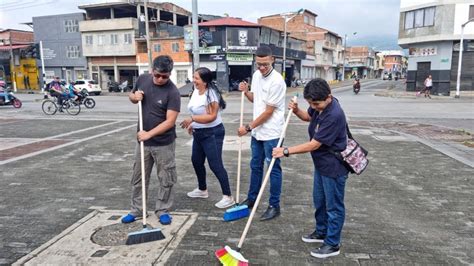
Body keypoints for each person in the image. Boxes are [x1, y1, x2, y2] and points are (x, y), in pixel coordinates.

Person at [272, 78, 349, 259]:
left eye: (316, 104)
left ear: (329, 97)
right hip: (321, 165)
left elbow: (314, 144)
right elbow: (308, 117)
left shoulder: (334, 114)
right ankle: (321, 231)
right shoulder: (318, 106)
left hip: (334, 167)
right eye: (310, 103)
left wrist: (286, 150)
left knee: (334, 206)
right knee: (320, 201)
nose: (313, 107)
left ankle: (332, 243)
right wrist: (297, 110)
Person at [121, 55, 181, 225]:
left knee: (166, 177)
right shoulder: (142, 80)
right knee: (138, 177)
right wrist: (134, 97)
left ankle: (163, 209)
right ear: (152, 71)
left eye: (165, 76)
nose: (161, 79)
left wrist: (149, 134)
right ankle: (137, 209)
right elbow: (131, 96)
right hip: (143, 143)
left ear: (170, 74)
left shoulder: (173, 92)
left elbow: (170, 121)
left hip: (164, 144)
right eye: (157, 75)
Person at [237, 45, 286, 221]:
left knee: (272, 169)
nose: (262, 67)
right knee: (255, 165)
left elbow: (268, 112)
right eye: (258, 64)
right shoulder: (257, 75)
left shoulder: (277, 81)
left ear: (272, 59)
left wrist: (248, 127)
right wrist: (246, 91)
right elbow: (256, 100)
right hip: (258, 132)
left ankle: (274, 205)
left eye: (265, 64)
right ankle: (252, 199)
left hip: (272, 132)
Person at [180, 67, 235, 209]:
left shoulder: (211, 94)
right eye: (193, 77)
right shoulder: (195, 92)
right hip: (199, 133)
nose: (194, 80)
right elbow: (196, 111)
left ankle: (228, 196)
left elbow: (211, 117)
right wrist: (194, 124)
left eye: (196, 78)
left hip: (213, 133)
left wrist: (192, 119)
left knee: (215, 164)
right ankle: (202, 190)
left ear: (205, 81)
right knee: (196, 161)